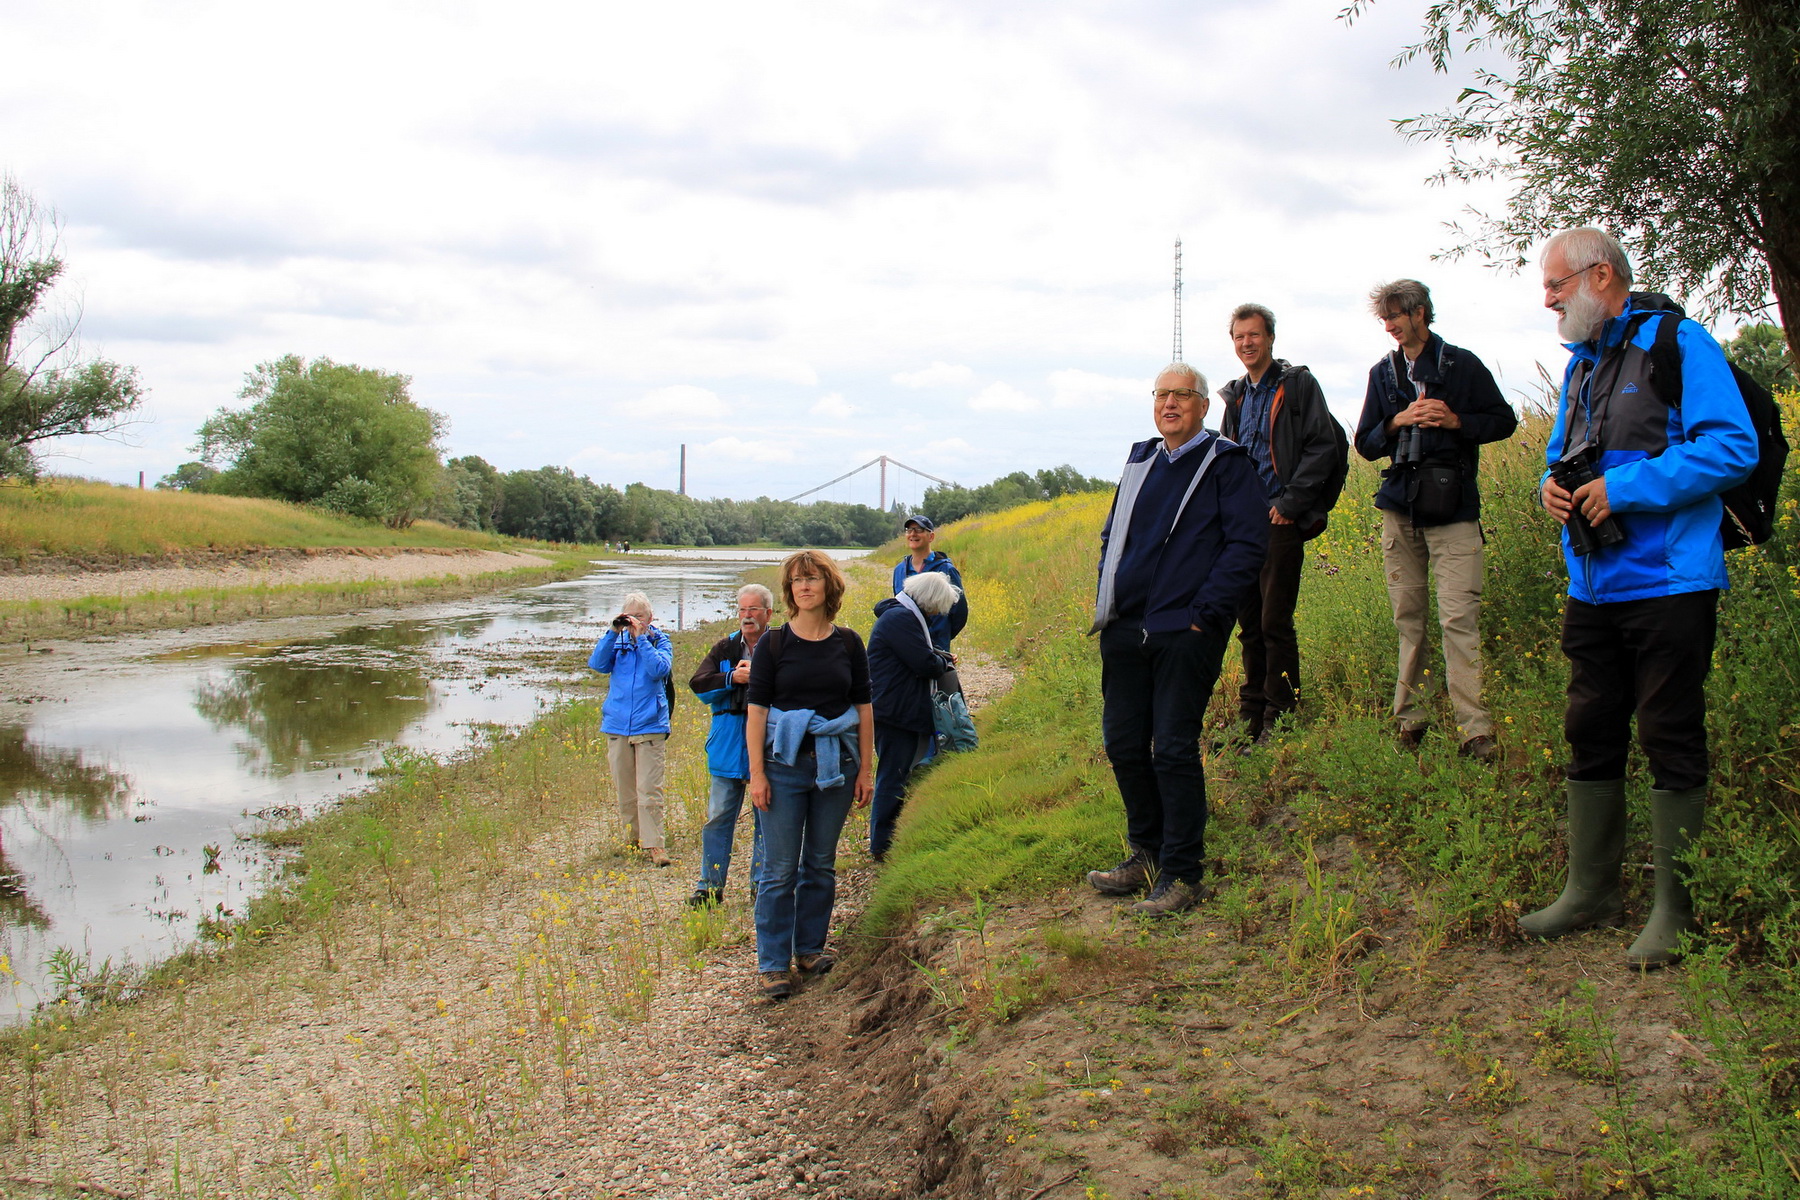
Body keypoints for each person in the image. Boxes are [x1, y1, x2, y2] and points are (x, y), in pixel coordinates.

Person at [1522, 227, 1757, 968]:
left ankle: (1674, 912)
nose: (1548, 300)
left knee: (1668, 733)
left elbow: (1732, 447)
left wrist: (1622, 488)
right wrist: (1550, 488)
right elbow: (1563, 457)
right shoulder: (1582, 366)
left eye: (1556, 285)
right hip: (1593, 584)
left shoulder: (1680, 343)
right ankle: (1590, 893)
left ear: (1600, 276)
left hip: (1670, 583)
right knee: (1589, 727)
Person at [1087, 363, 1268, 916]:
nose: (1170, 404)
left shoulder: (1226, 463)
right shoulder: (1140, 460)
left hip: (1184, 633)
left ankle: (1183, 873)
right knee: (1123, 744)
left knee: (1171, 748)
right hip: (1126, 628)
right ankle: (1146, 852)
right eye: (1162, 394)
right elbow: (1112, 536)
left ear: (1203, 406)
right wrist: (1109, 595)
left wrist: (1204, 615)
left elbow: (1247, 545)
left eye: (1182, 395)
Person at [1353, 279, 1518, 760]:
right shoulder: (1383, 374)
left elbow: (1504, 421)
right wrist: (1398, 421)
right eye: (1385, 318)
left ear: (1420, 313)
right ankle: (1412, 721)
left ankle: (1475, 731)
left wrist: (1455, 421)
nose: (1390, 326)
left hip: (1454, 508)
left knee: (1458, 618)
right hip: (1400, 508)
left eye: (1396, 316)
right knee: (1409, 619)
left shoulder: (1462, 365)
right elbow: (1365, 444)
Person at [746, 550, 874, 998]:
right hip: (782, 768)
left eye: (813, 578)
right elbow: (757, 712)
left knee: (819, 863)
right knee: (779, 870)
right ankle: (773, 964)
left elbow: (863, 708)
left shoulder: (849, 643)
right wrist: (757, 774)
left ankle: (810, 949)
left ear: (829, 586)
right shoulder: (773, 644)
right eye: (797, 580)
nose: (804, 586)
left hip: (836, 767)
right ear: (789, 590)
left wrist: (866, 770)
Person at [1217, 304, 1345, 744]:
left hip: (1278, 519)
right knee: (1249, 625)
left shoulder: (1297, 385)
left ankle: (1281, 716)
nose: (1247, 343)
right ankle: (1250, 716)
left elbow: (1323, 446)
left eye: (1254, 335)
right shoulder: (1236, 395)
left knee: (1274, 622)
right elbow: (1226, 457)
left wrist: (1290, 503)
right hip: (1242, 525)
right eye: (1239, 337)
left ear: (1270, 338)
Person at [686, 584, 776, 907]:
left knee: (766, 820)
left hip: (768, 746)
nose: (747, 616)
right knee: (718, 819)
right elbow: (699, 685)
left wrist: (760, 676)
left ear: (768, 613)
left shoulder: (779, 645)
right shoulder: (724, 648)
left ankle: (761, 886)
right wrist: (731, 679)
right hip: (727, 746)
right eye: (742, 610)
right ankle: (709, 888)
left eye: (753, 610)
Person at [866, 570, 961, 861]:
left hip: (895, 707)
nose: (934, 614)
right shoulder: (901, 619)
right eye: (935, 608)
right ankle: (881, 845)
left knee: (897, 772)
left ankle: (887, 838)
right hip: (894, 711)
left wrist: (940, 657)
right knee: (892, 775)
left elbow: (920, 652)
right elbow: (923, 662)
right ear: (928, 601)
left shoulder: (901, 615)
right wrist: (941, 663)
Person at [588, 591, 674, 867]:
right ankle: (635, 839)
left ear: (650, 617)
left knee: (649, 789)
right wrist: (613, 632)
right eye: (630, 616)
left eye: (639, 616)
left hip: (649, 724)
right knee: (626, 790)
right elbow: (597, 664)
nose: (634, 621)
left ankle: (655, 844)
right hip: (617, 724)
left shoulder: (660, 641)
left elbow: (658, 670)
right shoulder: (617, 642)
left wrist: (642, 639)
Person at [892, 515, 969, 655]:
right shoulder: (899, 570)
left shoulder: (946, 569)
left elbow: (960, 611)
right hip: (907, 644)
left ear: (931, 536)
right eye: (909, 530)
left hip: (937, 646)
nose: (913, 534)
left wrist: (942, 634)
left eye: (919, 530)